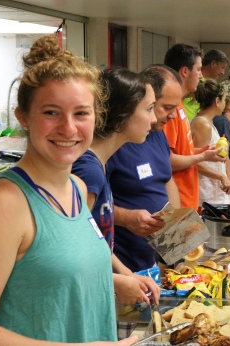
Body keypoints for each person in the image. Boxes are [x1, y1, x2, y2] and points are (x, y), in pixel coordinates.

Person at [0, 35, 133, 344]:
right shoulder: (4, 204)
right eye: (51, 112)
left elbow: (49, 274)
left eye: (81, 113)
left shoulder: (76, 188)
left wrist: (115, 281)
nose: (68, 128)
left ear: (96, 117)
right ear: (23, 117)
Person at [71, 68, 161, 307]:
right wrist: (115, 282)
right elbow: (71, 251)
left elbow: (96, 238)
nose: (154, 119)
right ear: (123, 113)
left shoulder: (100, 164)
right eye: (149, 109)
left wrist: (126, 273)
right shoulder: (88, 171)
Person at [107, 65, 184, 275]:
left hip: (153, 261)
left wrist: (176, 230)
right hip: (123, 265)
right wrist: (125, 218)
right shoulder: (112, 146)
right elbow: (88, 208)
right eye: (166, 107)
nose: (173, 116)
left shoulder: (158, 133)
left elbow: (166, 179)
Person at [163, 44, 227, 210]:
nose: (201, 75)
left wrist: (204, 154)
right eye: (198, 70)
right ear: (185, 71)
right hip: (178, 202)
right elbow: (167, 160)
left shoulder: (180, 106)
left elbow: (182, 152)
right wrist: (201, 157)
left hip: (190, 199)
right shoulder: (170, 111)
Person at [191, 79, 230, 204]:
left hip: (215, 189)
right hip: (206, 193)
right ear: (217, 101)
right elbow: (195, 161)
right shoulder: (202, 124)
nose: (225, 104)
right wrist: (221, 176)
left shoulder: (209, 122)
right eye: (224, 100)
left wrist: (226, 179)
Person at [183, 49, 229, 120]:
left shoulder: (210, 85)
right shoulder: (191, 82)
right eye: (222, 68)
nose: (223, 72)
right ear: (213, 64)